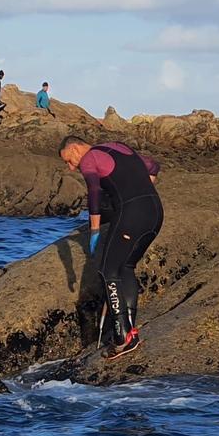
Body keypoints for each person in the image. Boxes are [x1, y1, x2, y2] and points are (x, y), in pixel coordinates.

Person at [58, 137, 162, 360]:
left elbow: (94, 193)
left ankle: (121, 337)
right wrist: (142, 191)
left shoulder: (89, 158)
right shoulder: (117, 147)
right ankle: (129, 329)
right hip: (154, 213)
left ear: (75, 148)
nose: (71, 167)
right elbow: (153, 166)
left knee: (108, 271)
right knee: (126, 267)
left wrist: (94, 230)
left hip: (132, 215)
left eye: (69, 160)